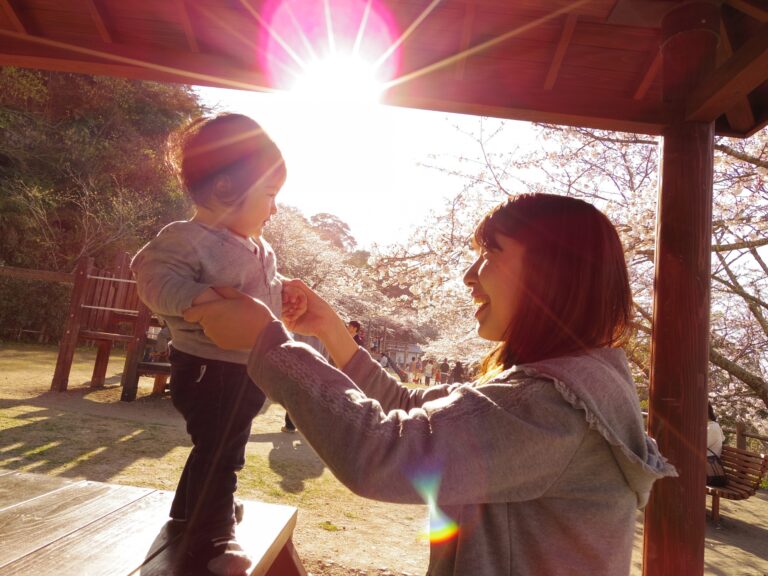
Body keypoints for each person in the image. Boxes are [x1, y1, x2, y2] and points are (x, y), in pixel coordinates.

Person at [184, 193, 676, 576]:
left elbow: (384, 454)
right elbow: (409, 406)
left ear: (553, 270)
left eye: (490, 252)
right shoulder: (568, 386)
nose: (468, 275)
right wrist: (331, 331)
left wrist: (267, 340)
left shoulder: (553, 408)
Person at [131, 113, 292, 576]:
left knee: (219, 445)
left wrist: (286, 294)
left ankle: (192, 509)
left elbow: (262, 289)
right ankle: (214, 535)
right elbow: (151, 277)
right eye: (269, 195)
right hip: (209, 369)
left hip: (246, 367)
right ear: (224, 188)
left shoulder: (257, 246)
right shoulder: (187, 239)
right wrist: (201, 300)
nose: (274, 209)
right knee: (222, 451)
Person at [282, 333, 329, 433]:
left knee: (294, 397)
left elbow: (293, 346)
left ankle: (290, 425)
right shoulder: (323, 334)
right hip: (316, 370)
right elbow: (325, 356)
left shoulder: (301, 331)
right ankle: (308, 426)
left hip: (300, 368)